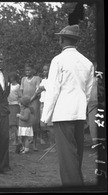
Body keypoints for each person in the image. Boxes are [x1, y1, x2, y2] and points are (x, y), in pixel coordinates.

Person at [41, 24, 94, 186]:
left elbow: (53, 90)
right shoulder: (87, 63)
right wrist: (81, 109)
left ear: (62, 40)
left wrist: (45, 117)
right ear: (75, 41)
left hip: (63, 113)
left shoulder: (58, 60)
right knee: (76, 153)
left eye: (59, 38)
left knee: (67, 156)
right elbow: (88, 93)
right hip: (79, 113)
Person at [32, 64, 56, 152]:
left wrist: (41, 88)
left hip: (49, 104)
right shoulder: (44, 80)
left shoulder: (52, 80)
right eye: (43, 70)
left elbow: (41, 89)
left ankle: (53, 146)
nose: (44, 72)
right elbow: (38, 90)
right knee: (44, 125)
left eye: (46, 70)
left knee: (50, 125)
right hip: (42, 104)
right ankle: (51, 144)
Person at [20, 64, 41, 151]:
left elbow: (37, 91)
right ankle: (24, 145)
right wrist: (23, 100)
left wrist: (30, 100)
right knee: (24, 122)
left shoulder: (36, 78)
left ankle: (34, 144)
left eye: (29, 70)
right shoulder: (23, 79)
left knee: (34, 123)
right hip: (24, 104)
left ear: (33, 70)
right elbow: (21, 90)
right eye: (26, 70)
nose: (27, 72)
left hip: (34, 103)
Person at [7, 71, 21, 146]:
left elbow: (20, 96)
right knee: (10, 124)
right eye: (10, 78)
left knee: (14, 124)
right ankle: (11, 138)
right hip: (8, 105)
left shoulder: (18, 86)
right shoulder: (8, 85)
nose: (11, 79)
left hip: (15, 105)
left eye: (12, 77)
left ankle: (17, 140)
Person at [87, 62, 98, 145]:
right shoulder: (90, 80)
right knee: (93, 125)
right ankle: (96, 144)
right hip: (92, 104)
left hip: (96, 104)